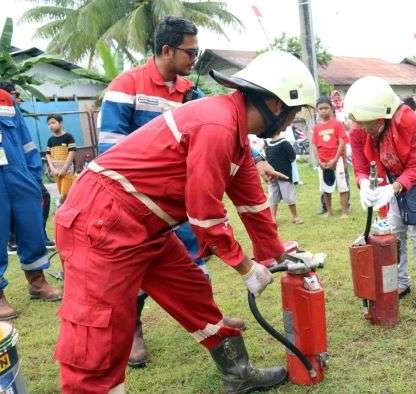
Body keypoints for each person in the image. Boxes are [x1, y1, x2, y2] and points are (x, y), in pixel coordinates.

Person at [53, 50, 316, 392]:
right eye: (294, 112)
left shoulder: (235, 137)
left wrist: (276, 256)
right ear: (277, 105)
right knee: (98, 334)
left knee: (192, 292)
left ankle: (238, 374)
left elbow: (253, 207)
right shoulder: (217, 125)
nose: (290, 121)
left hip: (145, 226)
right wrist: (245, 267)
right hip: (102, 220)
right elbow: (204, 215)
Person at [95, 16, 244, 367]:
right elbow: (111, 151)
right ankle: (132, 330)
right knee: (136, 270)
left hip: (179, 201)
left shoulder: (190, 92)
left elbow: (222, 125)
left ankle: (211, 321)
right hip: (136, 202)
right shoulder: (126, 86)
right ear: (167, 50)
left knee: (193, 264)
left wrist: (254, 157)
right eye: (190, 53)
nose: (194, 60)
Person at [0, 45, 61, 320]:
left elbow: (25, 140)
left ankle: (37, 282)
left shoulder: (4, 99)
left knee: (32, 228)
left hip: (19, 175)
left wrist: (34, 176)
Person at [345, 76, 416, 312]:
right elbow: (361, 166)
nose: (366, 130)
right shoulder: (358, 127)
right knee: (395, 233)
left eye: (371, 124)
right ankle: (402, 282)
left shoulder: (406, 119)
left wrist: (393, 188)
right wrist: (364, 183)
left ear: (384, 115)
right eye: (362, 124)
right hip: (392, 180)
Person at [0, 81, 55, 249]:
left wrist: (35, 172)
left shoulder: (15, 114)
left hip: (26, 169)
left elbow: (28, 145)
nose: (18, 98)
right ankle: (14, 238)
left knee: (41, 197)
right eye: (14, 94)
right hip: (7, 171)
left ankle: (37, 235)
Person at [312, 96, 350, 218]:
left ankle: (344, 211)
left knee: (342, 186)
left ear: (331, 109)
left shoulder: (337, 124)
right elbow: (314, 145)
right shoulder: (316, 127)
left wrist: (335, 159)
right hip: (323, 162)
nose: (323, 111)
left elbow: (342, 142)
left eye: (326, 108)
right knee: (325, 187)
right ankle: (329, 211)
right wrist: (318, 161)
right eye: (320, 109)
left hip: (336, 160)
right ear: (317, 110)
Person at [265, 133, 303, 224]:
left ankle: (295, 217)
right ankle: (273, 218)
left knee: (289, 196)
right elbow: (267, 159)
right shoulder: (268, 144)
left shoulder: (284, 143)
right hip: (273, 176)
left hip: (285, 175)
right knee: (273, 197)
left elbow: (292, 157)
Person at [45, 114, 77, 204]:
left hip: (67, 171)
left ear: (60, 123)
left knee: (65, 194)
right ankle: (64, 209)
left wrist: (64, 169)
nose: (50, 125)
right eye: (48, 124)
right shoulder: (50, 140)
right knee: (62, 193)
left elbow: (71, 152)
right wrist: (52, 169)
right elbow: (48, 155)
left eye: (53, 123)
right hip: (56, 172)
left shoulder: (68, 137)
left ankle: (59, 206)